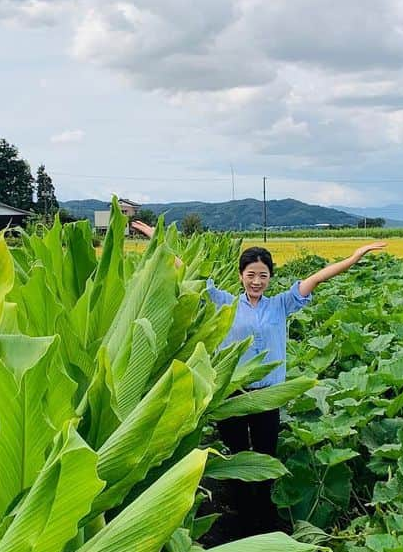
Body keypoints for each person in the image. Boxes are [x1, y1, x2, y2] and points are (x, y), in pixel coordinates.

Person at [131, 220, 385, 533]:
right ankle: (241, 519)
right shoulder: (224, 302)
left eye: (262, 275)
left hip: (266, 395)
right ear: (241, 276)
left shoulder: (280, 304)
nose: (256, 280)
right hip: (233, 395)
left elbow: (317, 277)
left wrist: (355, 256)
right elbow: (187, 271)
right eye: (250, 274)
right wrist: (158, 239)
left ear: (270, 278)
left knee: (265, 457)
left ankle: (264, 520)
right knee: (238, 459)